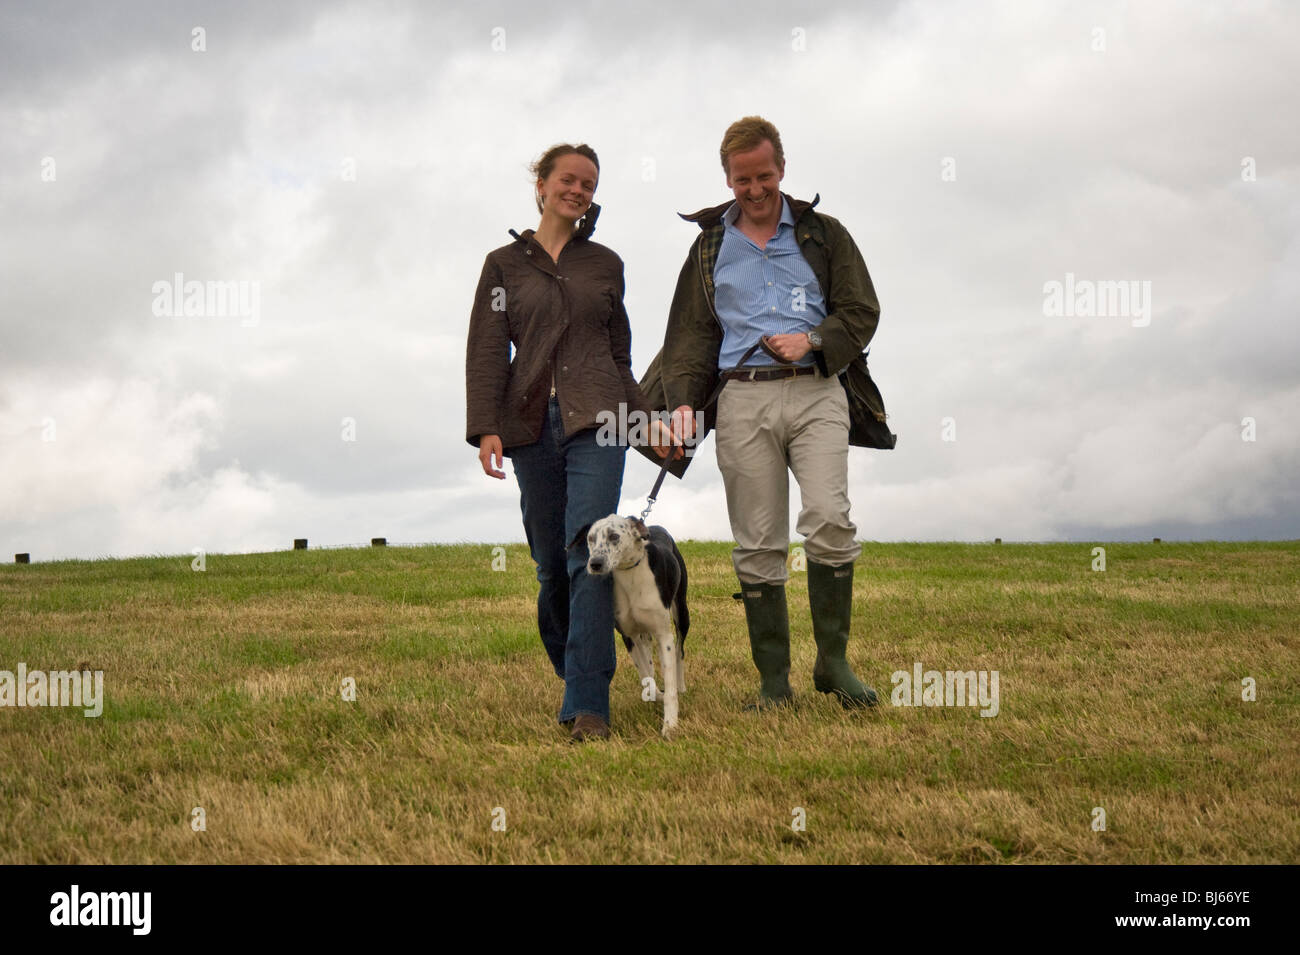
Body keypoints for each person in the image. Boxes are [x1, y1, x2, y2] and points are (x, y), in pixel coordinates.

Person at [642, 116, 888, 710]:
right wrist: (679, 408)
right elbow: (691, 339)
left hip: (817, 390)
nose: (754, 188)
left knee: (830, 517)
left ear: (783, 169)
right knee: (758, 540)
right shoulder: (708, 249)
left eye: (765, 175)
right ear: (727, 178)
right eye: (742, 179)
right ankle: (774, 683)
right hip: (741, 398)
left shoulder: (824, 234)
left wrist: (814, 340)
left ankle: (834, 664)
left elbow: (862, 309)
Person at [465, 143, 664, 741]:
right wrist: (487, 425)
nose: (578, 191)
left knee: (589, 555)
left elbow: (621, 352)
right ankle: (574, 669)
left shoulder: (604, 264)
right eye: (568, 181)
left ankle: (588, 706)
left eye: (588, 185)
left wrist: (643, 418)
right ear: (542, 186)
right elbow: (487, 345)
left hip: (600, 422)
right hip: (528, 425)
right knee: (552, 567)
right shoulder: (503, 265)